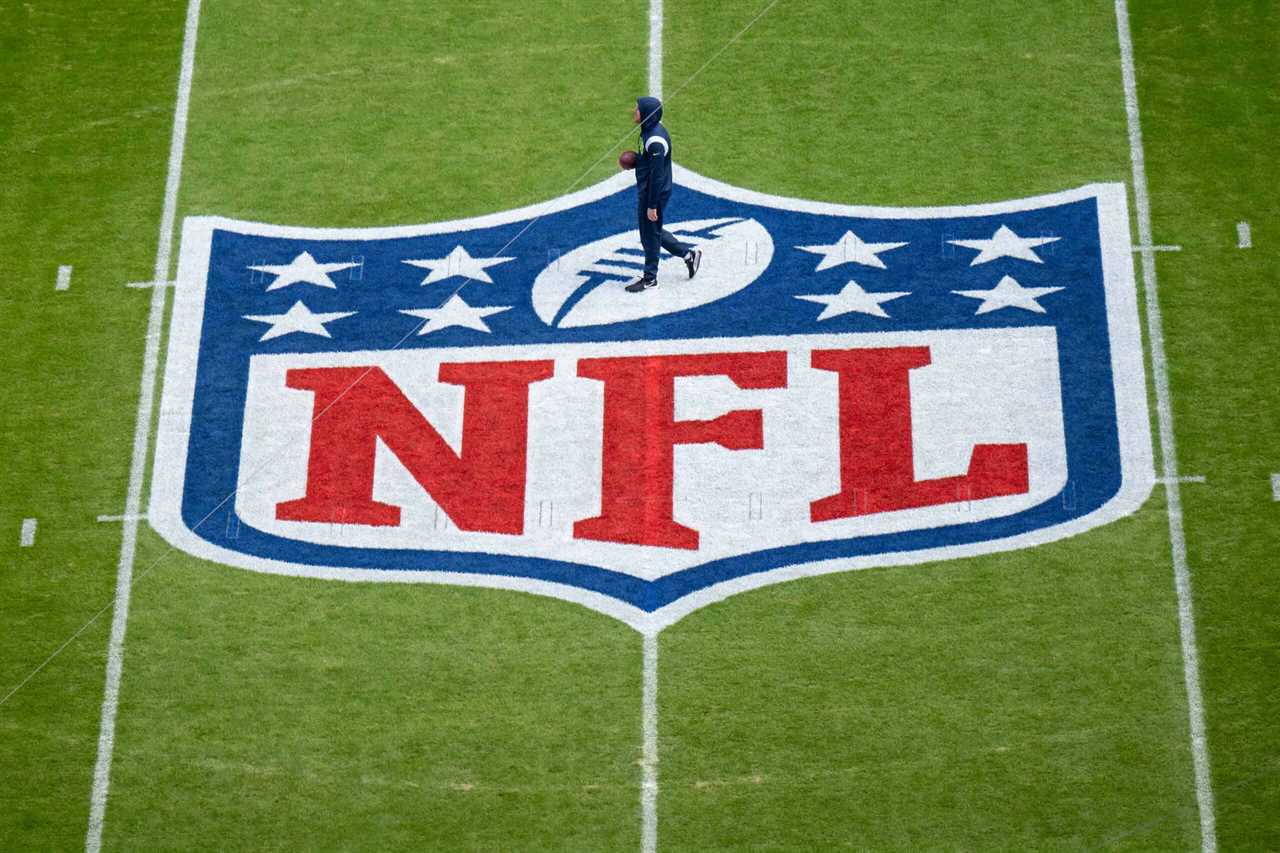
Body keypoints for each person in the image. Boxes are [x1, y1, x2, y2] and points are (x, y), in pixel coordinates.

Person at [625, 96, 702, 293]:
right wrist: (638, 161)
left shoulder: (655, 141)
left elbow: (657, 176)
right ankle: (688, 255)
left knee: (650, 234)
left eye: (638, 108)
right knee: (651, 231)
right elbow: (650, 164)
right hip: (649, 190)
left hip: (654, 193)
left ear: (647, 114)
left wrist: (652, 205)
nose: (634, 110)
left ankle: (650, 279)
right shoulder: (648, 131)